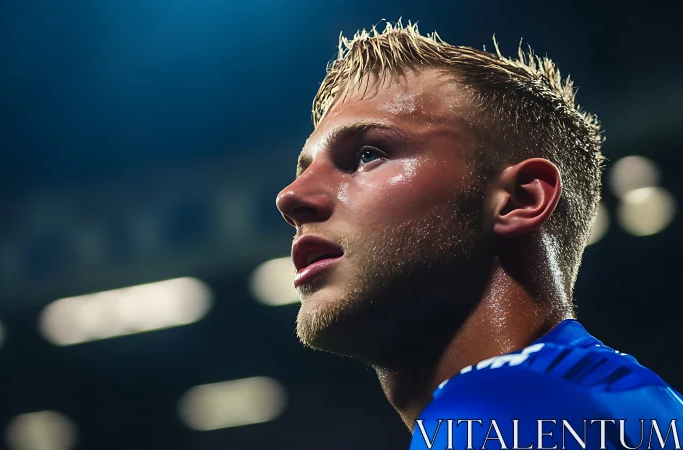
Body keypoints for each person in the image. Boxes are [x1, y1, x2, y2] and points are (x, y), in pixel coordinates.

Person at [275, 20, 683, 449]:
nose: (291, 197)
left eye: (366, 155)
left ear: (520, 199)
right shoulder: (619, 405)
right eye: (303, 171)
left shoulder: (499, 411)